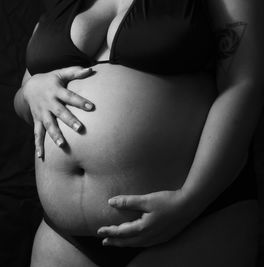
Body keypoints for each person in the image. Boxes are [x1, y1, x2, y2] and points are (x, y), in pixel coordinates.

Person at [14, 0, 263, 266]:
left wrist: (190, 200)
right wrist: (31, 90)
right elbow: (23, 100)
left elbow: (243, 84)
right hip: (64, 237)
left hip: (191, 220)